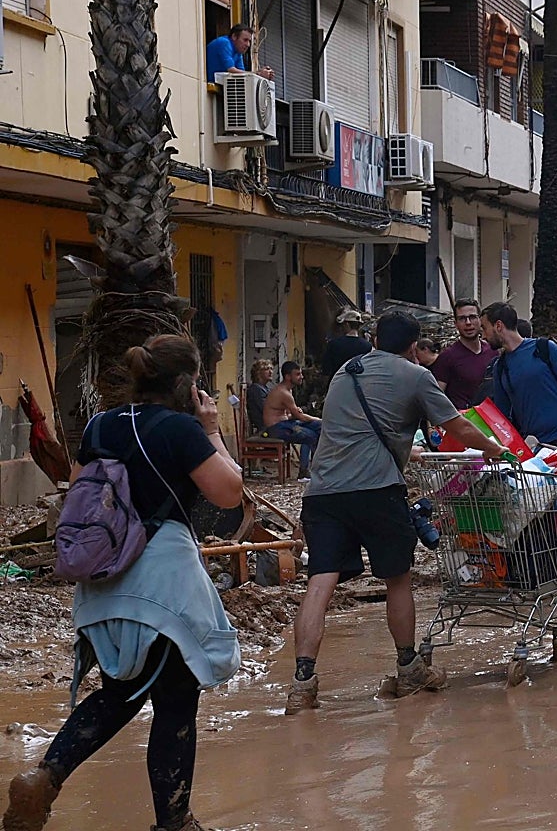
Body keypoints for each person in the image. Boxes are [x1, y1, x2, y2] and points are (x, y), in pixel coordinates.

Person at [3, 336, 243, 831]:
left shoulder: (100, 425)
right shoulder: (182, 430)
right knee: (175, 703)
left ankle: (45, 776)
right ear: (186, 383)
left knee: (120, 691)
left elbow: (80, 489)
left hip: (103, 579)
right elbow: (228, 493)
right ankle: (173, 822)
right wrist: (213, 429)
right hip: (162, 586)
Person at [286, 313, 505, 713]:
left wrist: (408, 448)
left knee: (320, 582)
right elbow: (456, 425)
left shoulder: (344, 374)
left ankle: (302, 683)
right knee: (397, 579)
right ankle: (408, 667)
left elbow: (352, 430)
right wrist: (495, 449)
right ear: (412, 346)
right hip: (376, 490)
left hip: (323, 493)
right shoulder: (415, 374)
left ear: (374, 338)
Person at [481, 302, 557, 457]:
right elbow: (502, 417)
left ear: (498, 326)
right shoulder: (500, 367)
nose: (484, 336)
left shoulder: (545, 349)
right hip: (534, 449)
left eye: (485, 328)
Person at [431, 298, 499, 409]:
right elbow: (436, 399)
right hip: (462, 422)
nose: (468, 323)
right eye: (462, 319)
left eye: (472, 317)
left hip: (493, 420)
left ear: (480, 320)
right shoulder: (447, 357)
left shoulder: (493, 352)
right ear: (456, 324)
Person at [263, 361, 323, 479]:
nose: (301, 377)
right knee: (310, 435)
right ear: (288, 376)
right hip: (276, 428)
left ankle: (319, 466)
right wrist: (320, 419)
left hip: (286, 422)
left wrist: (316, 421)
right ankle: (304, 472)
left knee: (318, 427)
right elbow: (300, 417)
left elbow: (291, 414)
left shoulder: (288, 390)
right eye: (297, 374)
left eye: (301, 373)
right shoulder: (283, 392)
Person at [205, 24, 273, 84]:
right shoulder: (224, 43)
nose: (248, 45)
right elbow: (231, 70)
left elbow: (242, 74)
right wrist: (258, 74)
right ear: (234, 36)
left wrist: (259, 73)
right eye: (245, 40)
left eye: (249, 41)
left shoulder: (238, 52)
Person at [322, 309, 372, 379]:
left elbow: (326, 370)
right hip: (360, 386)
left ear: (347, 324)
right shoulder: (367, 346)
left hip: (337, 384)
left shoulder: (334, 344)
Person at [246, 359, 273, 435]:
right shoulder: (256, 389)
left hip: (270, 423)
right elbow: (266, 409)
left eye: (271, 369)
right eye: (267, 369)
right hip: (266, 426)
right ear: (258, 373)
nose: (271, 372)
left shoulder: (265, 388)